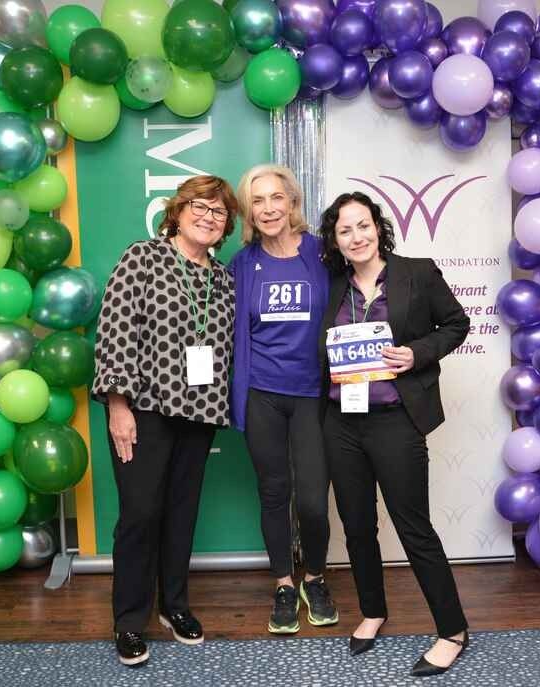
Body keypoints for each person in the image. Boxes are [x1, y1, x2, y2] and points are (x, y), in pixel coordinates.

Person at [318, 191, 471, 677]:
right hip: (341, 422)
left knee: (413, 527)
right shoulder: (332, 284)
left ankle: (452, 630)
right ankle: (373, 610)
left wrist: (416, 353)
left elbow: (456, 324)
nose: (356, 236)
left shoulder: (416, 272)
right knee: (357, 525)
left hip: (396, 421)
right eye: (345, 230)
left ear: (377, 227)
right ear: (335, 241)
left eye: (362, 225)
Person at [91, 175, 238, 666]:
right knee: (139, 516)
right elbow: (115, 330)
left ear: (226, 227)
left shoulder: (223, 279)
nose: (208, 217)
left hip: (198, 414)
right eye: (199, 206)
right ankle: (131, 621)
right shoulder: (142, 258)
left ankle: (175, 607)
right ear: (177, 211)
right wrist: (118, 405)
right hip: (144, 410)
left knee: (181, 514)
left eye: (218, 213)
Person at [229, 164, 337, 634]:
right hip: (263, 395)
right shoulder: (242, 263)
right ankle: (284, 584)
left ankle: (315, 576)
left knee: (313, 500)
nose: (269, 208)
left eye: (277, 198)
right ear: (248, 211)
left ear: (292, 202)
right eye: (258, 200)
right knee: (274, 492)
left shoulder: (321, 253)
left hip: (314, 394)